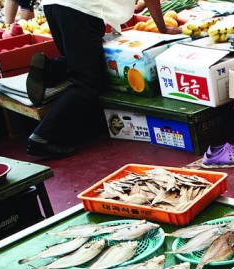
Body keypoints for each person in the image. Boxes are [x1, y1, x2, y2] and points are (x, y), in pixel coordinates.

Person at [25, 0, 173, 159]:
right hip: (78, 9)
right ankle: (43, 136)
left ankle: (50, 70)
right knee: (87, 81)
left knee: (80, 59)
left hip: (54, 6)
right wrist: (163, 29)